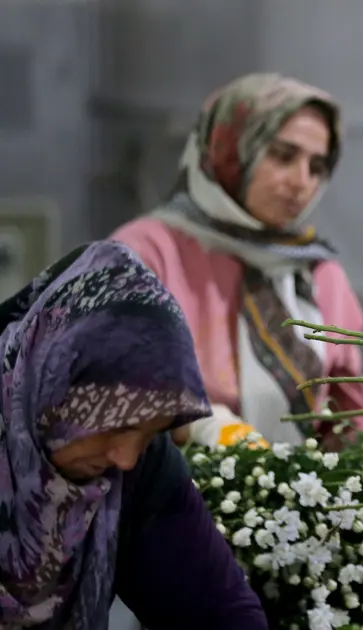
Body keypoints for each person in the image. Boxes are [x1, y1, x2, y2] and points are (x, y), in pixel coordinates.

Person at [0, 241, 267, 629]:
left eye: (149, 434)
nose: (125, 458)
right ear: (55, 385)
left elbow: (219, 612)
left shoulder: (141, 468)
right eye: (117, 426)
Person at [111, 73, 363, 448]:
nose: (302, 182)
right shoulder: (143, 254)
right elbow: (104, 395)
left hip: (298, 501)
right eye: (283, 156)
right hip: (168, 496)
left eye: (317, 167)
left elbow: (344, 433)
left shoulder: (320, 277)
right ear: (230, 149)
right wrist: (203, 427)